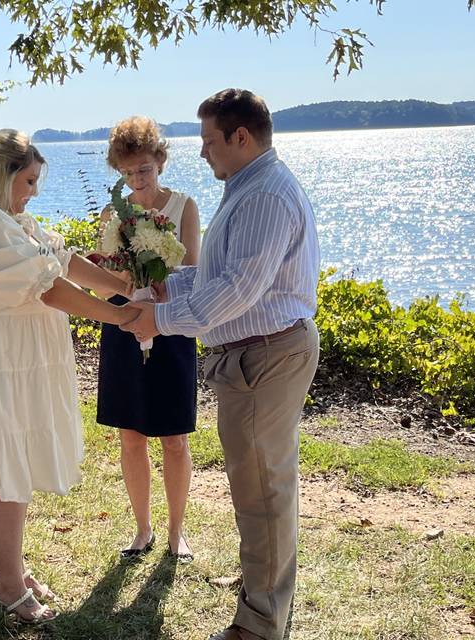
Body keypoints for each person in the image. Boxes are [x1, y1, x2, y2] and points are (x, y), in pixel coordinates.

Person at [121, 89, 320, 640]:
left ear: (241, 137)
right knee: (261, 486)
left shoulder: (263, 197)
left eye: (210, 140)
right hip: (256, 353)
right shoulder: (248, 187)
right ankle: (264, 589)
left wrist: (157, 321)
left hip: (265, 353)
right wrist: (165, 288)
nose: (203, 152)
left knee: (262, 491)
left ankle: (258, 625)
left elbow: (239, 290)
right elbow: (217, 277)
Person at [0, 129, 138, 624]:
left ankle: (12, 571)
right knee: (5, 472)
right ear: (1, 176)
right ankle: (6, 584)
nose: (34, 191)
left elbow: (64, 264)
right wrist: (122, 317)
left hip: (17, 360)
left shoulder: (14, 223)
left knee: (15, 466)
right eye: (28, 180)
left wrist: (123, 285)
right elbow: (48, 288)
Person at [94, 116, 201, 562]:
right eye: (128, 173)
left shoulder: (183, 207)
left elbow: (194, 277)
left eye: (145, 169)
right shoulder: (113, 214)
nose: (137, 180)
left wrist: (164, 287)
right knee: (131, 436)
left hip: (170, 326)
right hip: (123, 326)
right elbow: (104, 285)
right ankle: (143, 529)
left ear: (160, 161)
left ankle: (177, 532)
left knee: (174, 438)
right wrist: (114, 271)